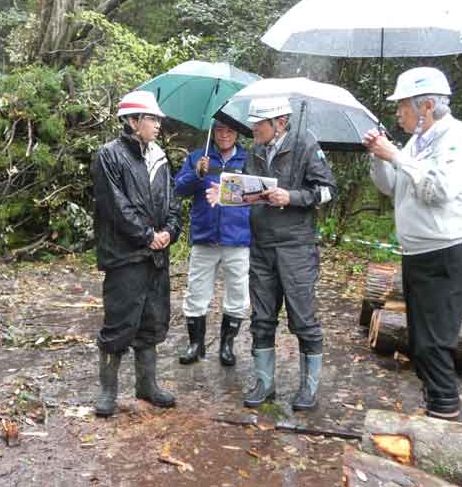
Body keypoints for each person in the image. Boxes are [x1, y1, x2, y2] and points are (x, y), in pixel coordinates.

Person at [363, 67, 462, 421]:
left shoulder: (460, 137)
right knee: (419, 341)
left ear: (427, 105)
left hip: (446, 253)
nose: (398, 112)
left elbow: (439, 190)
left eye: (403, 105)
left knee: (435, 342)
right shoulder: (418, 143)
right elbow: (391, 187)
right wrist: (378, 155)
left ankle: (445, 413)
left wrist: (397, 156)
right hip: (415, 253)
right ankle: (436, 404)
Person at [211, 96, 337, 410]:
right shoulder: (255, 151)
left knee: (303, 320)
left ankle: (308, 389)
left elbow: (327, 190)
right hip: (262, 246)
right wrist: (226, 194)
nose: (253, 129)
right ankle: (264, 384)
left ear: (279, 122)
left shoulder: (306, 145)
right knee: (262, 319)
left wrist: (291, 196)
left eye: (259, 124)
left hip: (296, 247)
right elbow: (253, 191)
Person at [92, 90, 182, 418]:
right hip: (125, 255)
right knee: (119, 321)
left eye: (158, 119)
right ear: (132, 121)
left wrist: (170, 231)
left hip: (156, 256)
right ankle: (107, 392)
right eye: (151, 119)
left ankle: (147, 385)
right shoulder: (109, 155)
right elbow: (114, 205)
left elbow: (173, 202)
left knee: (152, 320)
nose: (158, 124)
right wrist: (147, 236)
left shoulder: (159, 156)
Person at [174, 122, 251, 368]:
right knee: (196, 291)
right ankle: (195, 344)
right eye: (219, 131)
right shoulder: (199, 157)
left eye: (229, 131)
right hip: (204, 236)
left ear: (237, 133)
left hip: (237, 237)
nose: (224, 135)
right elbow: (178, 188)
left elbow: (257, 193)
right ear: (213, 132)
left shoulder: (248, 160)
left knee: (237, 293)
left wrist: (230, 190)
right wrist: (197, 173)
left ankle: (227, 346)